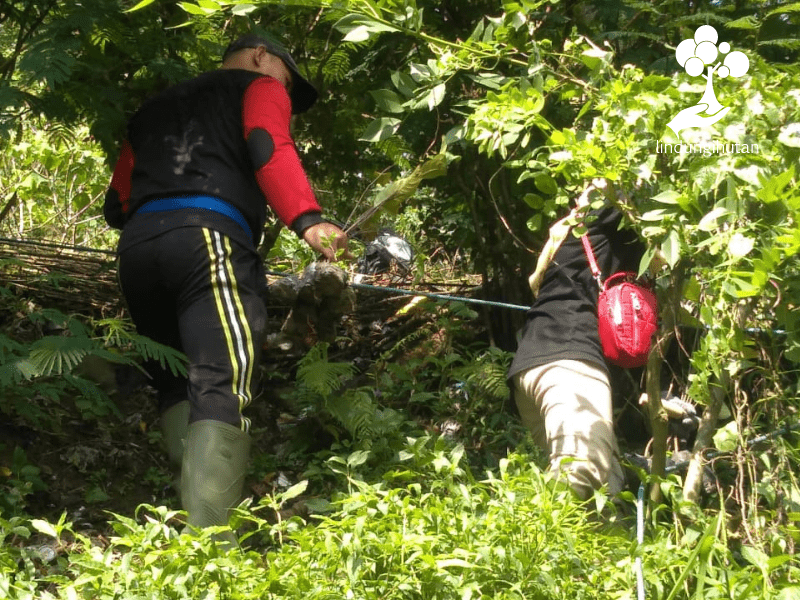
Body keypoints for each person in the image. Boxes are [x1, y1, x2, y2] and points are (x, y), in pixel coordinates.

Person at [103, 33, 350, 543]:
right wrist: (308, 219)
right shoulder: (257, 86)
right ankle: (212, 547)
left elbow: (116, 203)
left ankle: (194, 520)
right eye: (286, 77)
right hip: (206, 240)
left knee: (174, 377)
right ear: (262, 57)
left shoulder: (154, 107)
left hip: (138, 251)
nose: (285, 93)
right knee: (222, 380)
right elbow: (267, 143)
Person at [508, 187, 645, 501]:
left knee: (605, 493)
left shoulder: (569, 233)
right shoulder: (608, 216)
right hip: (569, 365)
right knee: (581, 470)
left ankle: (607, 551)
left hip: (535, 366)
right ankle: (527, 545)